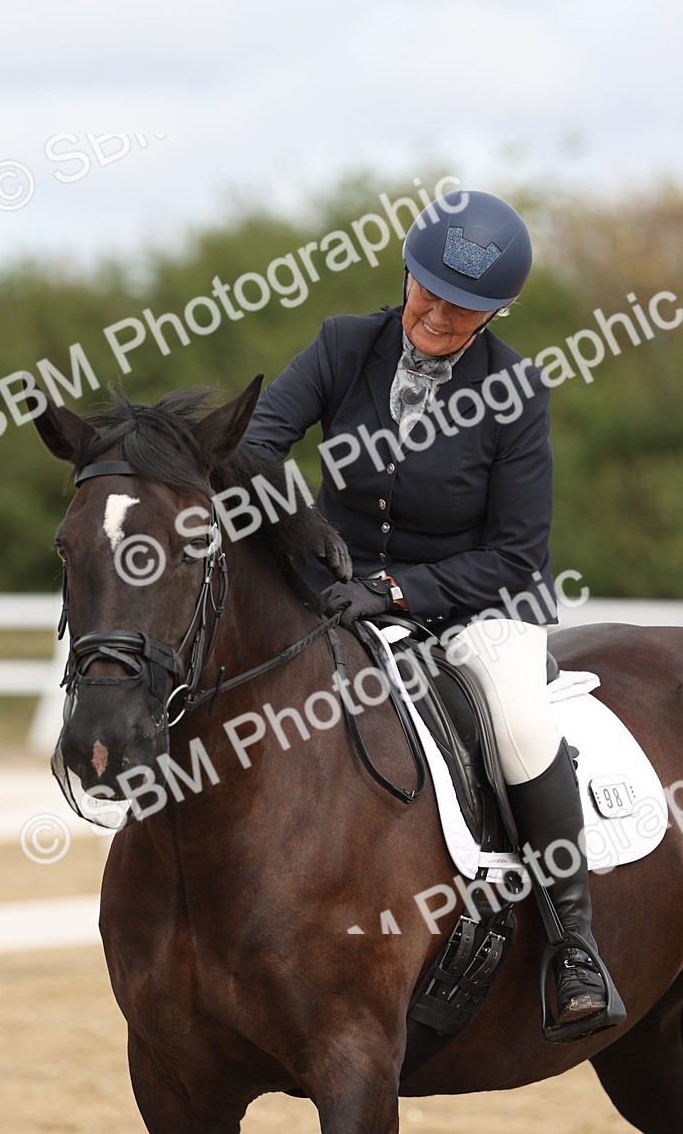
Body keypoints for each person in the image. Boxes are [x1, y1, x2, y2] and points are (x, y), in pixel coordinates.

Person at [243, 188, 625, 1040]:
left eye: (466, 305)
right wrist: (308, 541)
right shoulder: (347, 344)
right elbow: (260, 444)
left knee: (522, 727)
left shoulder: (516, 389)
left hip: (480, 603)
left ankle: (572, 945)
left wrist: (397, 593)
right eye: (429, 290)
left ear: (499, 310)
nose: (440, 314)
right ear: (407, 272)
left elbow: (517, 551)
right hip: (337, 590)